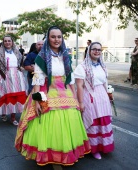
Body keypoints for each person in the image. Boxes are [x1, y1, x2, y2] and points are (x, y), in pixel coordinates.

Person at [15, 26, 90, 168]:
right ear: (48, 39)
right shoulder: (41, 57)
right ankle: (52, 157)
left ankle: (65, 153)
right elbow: (37, 79)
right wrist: (37, 101)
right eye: (53, 37)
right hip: (46, 92)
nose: (56, 40)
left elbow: (70, 78)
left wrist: (77, 99)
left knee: (68, 125)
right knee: (50, 125)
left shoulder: (65, 55)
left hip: (65, 92)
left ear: (62, 39)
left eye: (59, 37)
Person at [74, 42, 114, 160]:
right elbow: (79, 86)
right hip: (89, 96)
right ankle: (93, 149)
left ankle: (102, 146)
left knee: (103, 121)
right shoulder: (82, 67)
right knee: (93, 122)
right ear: (89, 51)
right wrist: (80, 102)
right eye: (94, 49)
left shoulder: (102, 66)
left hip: (102, 96)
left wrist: (109, 93)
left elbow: (104, 82)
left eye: (99, 50)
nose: (97, 51)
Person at [0, 35, 28, 126]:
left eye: (9, 41)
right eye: (5, 41)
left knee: (16, 96)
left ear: (12, 42)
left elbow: (20, 65)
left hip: (17, 77)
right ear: (3, 42)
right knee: (4, 95)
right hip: (4, 76)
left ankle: (13, 117)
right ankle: (3, 113)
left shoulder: (17, 52)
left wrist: (22, 69)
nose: (7, 42)